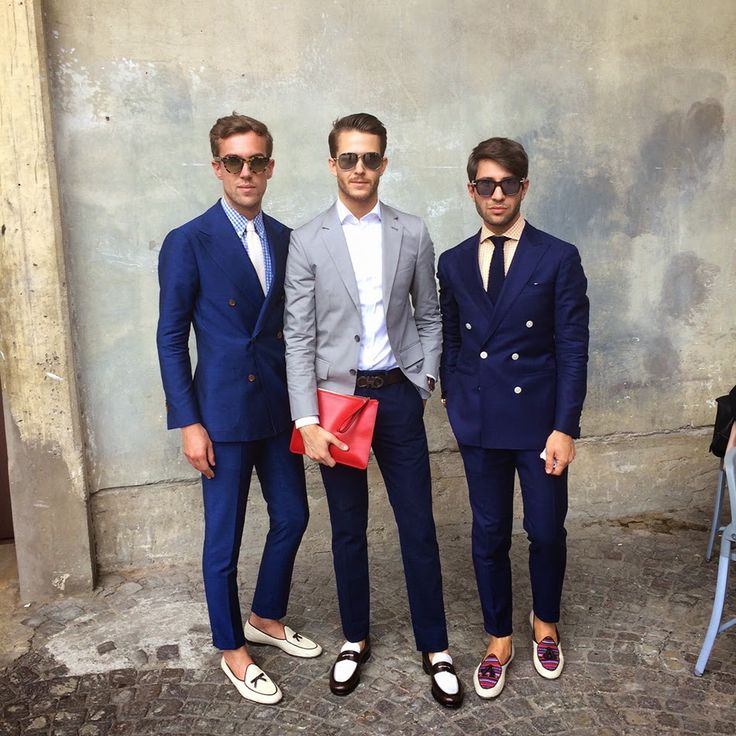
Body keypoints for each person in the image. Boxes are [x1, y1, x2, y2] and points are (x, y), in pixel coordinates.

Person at [283, 113, 463, 708]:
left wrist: (425, 379)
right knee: (347, 529)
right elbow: (298, 338)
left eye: (370, 158)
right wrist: (306, 420)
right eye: (348, 158)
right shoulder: (307, 240)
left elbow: (429, 314)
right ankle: (354, 638)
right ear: (332, 164)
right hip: (338, 405)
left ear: (383, 164)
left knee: (419, 526)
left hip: (398, 396)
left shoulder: (412, 231)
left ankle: (435, 647)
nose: (359, 168)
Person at [156, 113, 321, 705]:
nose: (245, 172)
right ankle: (231, 647)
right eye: (234, 162)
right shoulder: (189, 240)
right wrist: (188, 422)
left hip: (277, 406)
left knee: (293, 516)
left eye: (256, 161)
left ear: (270, 167)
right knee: (223, 541)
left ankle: (266, 616)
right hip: (221, 414)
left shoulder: (286, 237)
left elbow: (298, 327)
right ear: (217, 168)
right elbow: (171, 337)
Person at [437, 137, 589, 699]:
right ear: (471, 190)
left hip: (540, 423)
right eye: (486, 184)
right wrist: (453, 394)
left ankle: (544, 622)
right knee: (489, 533)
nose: (496, 194)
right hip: (479, 421)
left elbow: (573, 348)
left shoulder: (558, 256)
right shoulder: (453, 261)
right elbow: (451, 337)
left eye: (507, 184)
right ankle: (498, 637)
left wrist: (565, 427)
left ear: (524, 188)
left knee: (546, 530)